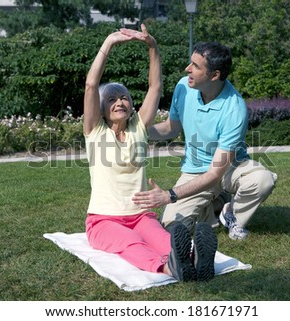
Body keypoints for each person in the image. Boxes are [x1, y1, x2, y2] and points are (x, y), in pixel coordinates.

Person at [83, 24, 218, 282]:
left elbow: (155, 87)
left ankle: (197, 261)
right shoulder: (94, 132)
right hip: (103, 221)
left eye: (124, 97)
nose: (120, 101)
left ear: (131, 106)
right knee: (132, 245)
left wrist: (153, 47)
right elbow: (91, 85)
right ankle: (170, 268)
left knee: (165, 239)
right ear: (101, 108)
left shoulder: (138, 129)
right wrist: (108, 44)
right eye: (111, 99)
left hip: (141, 216)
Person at [132, 41, 278, 240]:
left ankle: (232, 214)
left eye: (195, 66)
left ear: (214, 75)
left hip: (229, 168)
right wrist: (138, 131)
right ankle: (217, 206)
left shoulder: (234, 109)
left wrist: (170, 195)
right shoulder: (184, 86)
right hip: (194, 170)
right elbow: (170, 128)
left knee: (262, 180)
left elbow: (215, 173)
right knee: (172, 228)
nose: (187, 69)